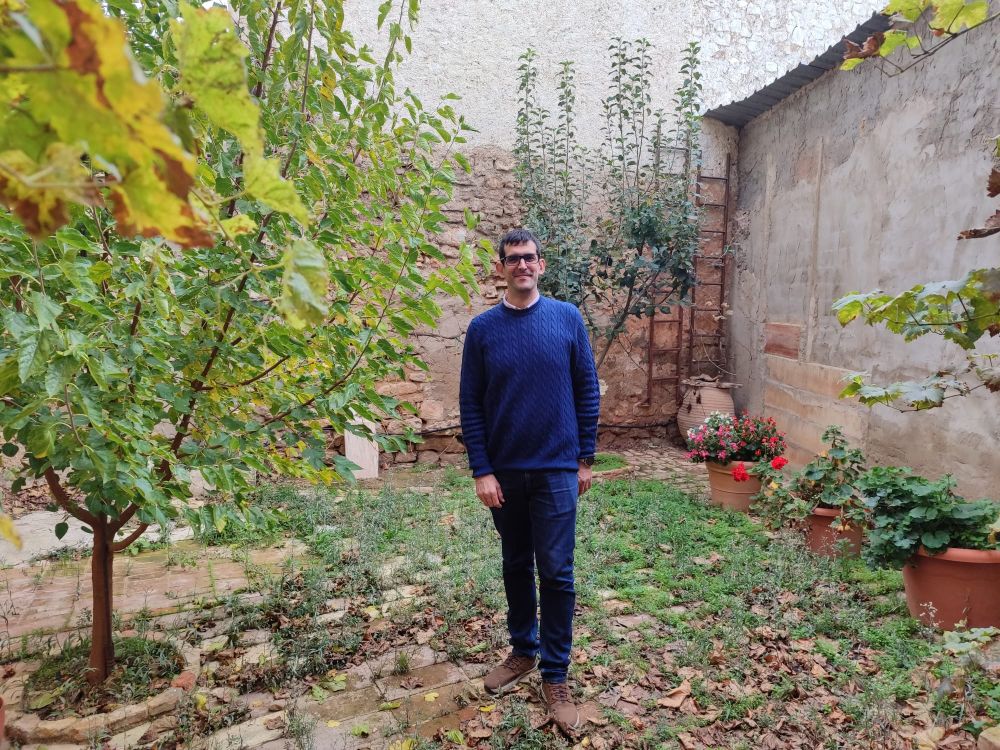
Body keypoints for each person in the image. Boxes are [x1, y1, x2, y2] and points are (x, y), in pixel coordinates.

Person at [459, 227, 600, 733]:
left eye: (530, 258)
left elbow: (587, 390)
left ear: (542, 265)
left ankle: (555, 675)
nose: (522, 265)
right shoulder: (482, 330)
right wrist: (482, 469)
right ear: (500, 267)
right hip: (505, 475)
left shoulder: (566, 319)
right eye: (513, 259)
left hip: (558, 469)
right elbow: (470, 405)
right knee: (516, 563)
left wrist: (585, 459)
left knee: (557, 573)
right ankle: (523, 650)